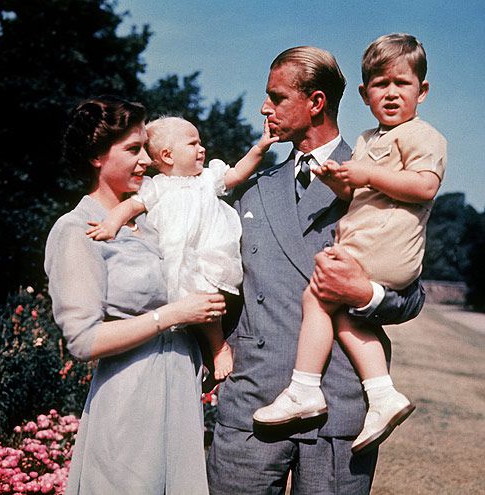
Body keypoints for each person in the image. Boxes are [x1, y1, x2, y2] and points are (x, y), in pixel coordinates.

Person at [207, 46, 426, 494]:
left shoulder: (380, 176)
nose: (264, 108)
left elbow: (411, 293)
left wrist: (365, 294)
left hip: (339, 407)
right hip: (253, 405)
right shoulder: (253, 190)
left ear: (316, 102)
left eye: (276, 97)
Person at [253, 33, 446, 456]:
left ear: (423, 91)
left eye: (402, 84)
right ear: (364, 93)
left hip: (382, 258)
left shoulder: (418, 137)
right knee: (334, 310)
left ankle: (306, 388)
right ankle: (382, 394)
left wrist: (367, 294)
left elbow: (424, 186)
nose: (391, 94)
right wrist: (343, 185)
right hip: (252, 396)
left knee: (320, 297)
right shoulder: (363, 144)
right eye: (380, 85)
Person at [44, 96, 227, 495]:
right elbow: (83, 340)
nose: (146, 160)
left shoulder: (151, 224)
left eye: (146, 147)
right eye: (132, 149)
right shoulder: (76, 230)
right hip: (129, 400)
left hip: (180, 389)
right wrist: (174, 314)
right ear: (96, 156)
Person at [86, 116, 278, 382]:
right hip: (174, 257)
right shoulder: (157, 187)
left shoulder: (207, 178)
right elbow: (130, 207)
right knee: (180, 307)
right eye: (193, 144)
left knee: (206, 299)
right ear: (167, 155)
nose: (202, 149)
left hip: (208, 254)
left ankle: (218, 346)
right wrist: (110, 223)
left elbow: (236, 173)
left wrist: (260, 148)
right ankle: (199, 357)